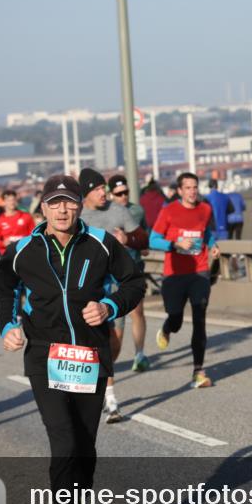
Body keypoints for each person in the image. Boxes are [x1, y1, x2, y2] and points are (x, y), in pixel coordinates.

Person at [0, 175, 145, 504]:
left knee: (85, 446)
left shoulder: (100, 243)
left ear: (80, 206)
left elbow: (134, 282)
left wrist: (110, 307)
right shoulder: (24, 249)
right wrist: (8, 325)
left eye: (70, 202)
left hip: (89, 356)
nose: (63, 210)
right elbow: (3, 287)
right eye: (54, 203)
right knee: (63, 441)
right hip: (45, 357)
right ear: (42, 208)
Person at [78, 168, 149, 423]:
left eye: (103, 189)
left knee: (114, 342)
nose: (103, 194)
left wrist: (127, 237)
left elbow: (142, 238)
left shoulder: (118, 211)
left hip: (116, 287)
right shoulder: (78, 217)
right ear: (86, 193)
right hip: (90, 289)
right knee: (100, 343)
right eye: (97, 190)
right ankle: (110, 399)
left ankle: (103, 384)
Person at [149, 173, 221, 389]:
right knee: (176, 318)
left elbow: (205, 232)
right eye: (187, 188)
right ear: (179, 191)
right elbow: (154, 239)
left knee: (200, 318)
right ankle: (167, 327)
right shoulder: (169, 211)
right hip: (174, 274)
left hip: (199, 271)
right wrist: (176, 244)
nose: (192, 191)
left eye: (195, 187)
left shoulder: (205, 209)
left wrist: (213, 244)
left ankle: (198, 371)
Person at [108, 174, 152, 374]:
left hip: (133, 269)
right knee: (117, 320)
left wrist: (139, 244)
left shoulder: (137, 210)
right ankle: (109, 363)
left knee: (138, 312)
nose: (123, 197)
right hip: (110, 275)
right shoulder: (104, 213)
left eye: (125, 192)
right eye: (118, 194)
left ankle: (139, 354)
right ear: (111, 195)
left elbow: (145, 240)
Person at [0, 189, 35, 254]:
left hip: (25, 252)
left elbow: (34, 234)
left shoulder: (26, 216)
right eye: (9, 200)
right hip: (7, 253)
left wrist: (27, 242)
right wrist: (3, 243)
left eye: (13, 200)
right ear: (3, 202)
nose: (12, 202)